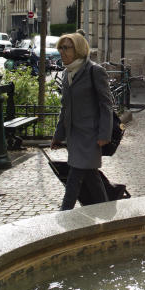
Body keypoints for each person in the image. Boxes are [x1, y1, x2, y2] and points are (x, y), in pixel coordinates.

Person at [51, 33, 112, 210]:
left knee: (74, 177)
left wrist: (104, 135)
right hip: (74, 135)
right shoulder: (66, 73)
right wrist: (58, 136)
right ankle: (107, 210)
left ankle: (63, 215)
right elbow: (65, 108)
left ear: (78, 49)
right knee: (91, 177)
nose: (62, 52)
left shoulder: (95, 71)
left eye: (66, 48)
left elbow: (106, 105)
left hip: (90, 136)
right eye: (60, 48)